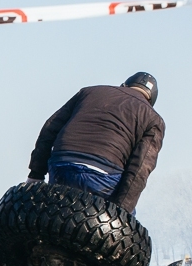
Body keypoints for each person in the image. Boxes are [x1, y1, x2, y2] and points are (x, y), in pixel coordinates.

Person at [26, 72, 164, 214]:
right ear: (150, 101)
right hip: (103, 175)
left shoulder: (88, 92)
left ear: (124, 85)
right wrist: (122, 210)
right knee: (126, 225)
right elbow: (140, 168)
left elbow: (50, 129)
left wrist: (35, 174)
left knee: (49, 213)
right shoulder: (153, 119)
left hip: (61, 164)